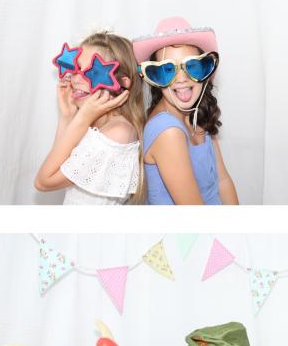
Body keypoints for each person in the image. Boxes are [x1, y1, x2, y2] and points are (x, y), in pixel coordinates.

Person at [132, 17, 238, 205]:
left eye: (192, 66)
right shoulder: (168, 132)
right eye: (167, 70)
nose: (181, 79)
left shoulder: (196, 114)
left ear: (204, 70)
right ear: (155, 77)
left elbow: (223, 181)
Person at [35, 32, 143, 204]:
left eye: (93, 72)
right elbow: (59, 164)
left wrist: (82, 118)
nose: (77, 79)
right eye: (75, 69)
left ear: (122, 83)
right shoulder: (95, 125)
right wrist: (67, 117)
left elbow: (43, 182)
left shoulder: (119, 133)